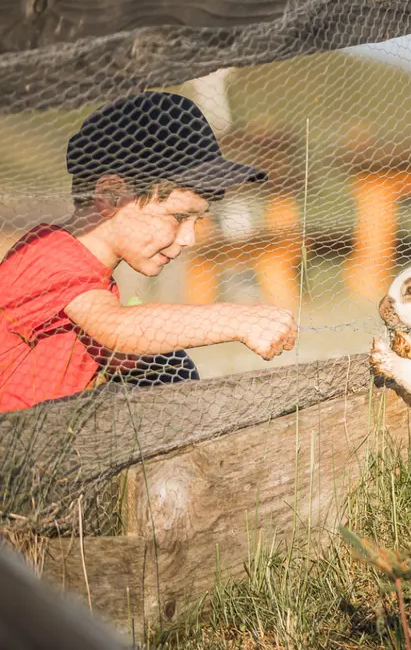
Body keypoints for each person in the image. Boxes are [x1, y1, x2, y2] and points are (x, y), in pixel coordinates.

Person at [0, 91, 298, 413]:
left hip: (46, 436)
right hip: (14, 450)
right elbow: (117, 329)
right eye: (180, 217)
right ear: (111, 197)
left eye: (198, 220)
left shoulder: (92, 278)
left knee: (165, 365)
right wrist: (240, 319)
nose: (189, 239)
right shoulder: (48, 252)